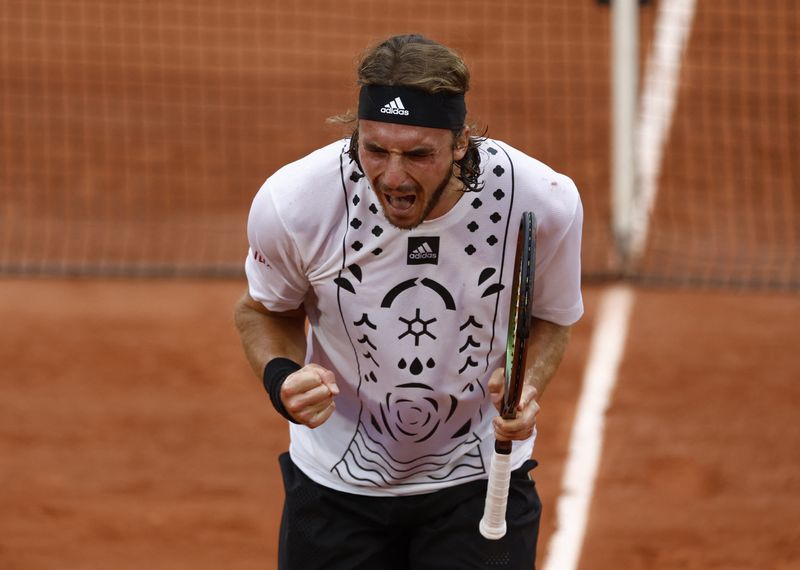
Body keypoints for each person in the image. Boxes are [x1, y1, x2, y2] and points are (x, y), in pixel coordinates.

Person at [234, 33, 583, 570]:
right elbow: (261, 310)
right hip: (335, 484)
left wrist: (527, 383)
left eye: (418, 154)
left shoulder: (540, 201)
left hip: (477, 479)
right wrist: (281, 377)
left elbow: (551, 319)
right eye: (374, 149)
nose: (393, 176)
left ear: (460, 142)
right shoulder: (296, 203)